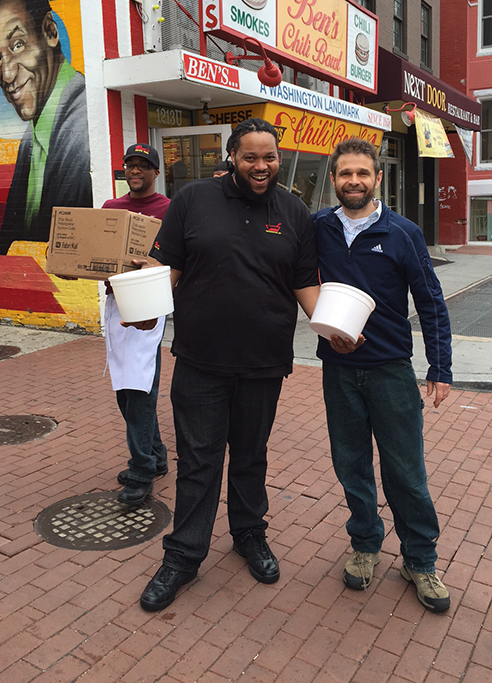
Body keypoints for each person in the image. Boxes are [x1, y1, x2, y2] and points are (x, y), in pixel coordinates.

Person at [135, 118, 319, 611]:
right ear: (232, 157)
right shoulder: (193, 200)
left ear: (279, 159)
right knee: (198, 461)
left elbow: (305, 284)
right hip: (200, 359)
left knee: (251, 454)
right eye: (251, 157)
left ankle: (249, 534)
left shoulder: (295, 211)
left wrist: (335, 328)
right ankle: (184, 556)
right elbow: (167, 267)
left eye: (270, 158)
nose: (261, 167)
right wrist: (138, 301)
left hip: (264, 361)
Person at [313, 138, 452, 613]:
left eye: (362, 173)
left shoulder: (403, 232)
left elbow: (431, 301)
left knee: (406, 473)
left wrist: (441, 367)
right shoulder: (319, 228)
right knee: (351, 465)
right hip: (337, 370)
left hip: (391, 371)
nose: (353, 181)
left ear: (376, 178)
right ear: (333, 179)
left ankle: (420, 560)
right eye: (344, 173)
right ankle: (366, 544)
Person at [0, 0, 92, 255]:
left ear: (49, 31)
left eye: (18, 44)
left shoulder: (82, 124)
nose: (7, 75)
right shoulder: (32, 137)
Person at [102, 144, 171, 506]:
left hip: (148, 306)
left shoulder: (169, 210)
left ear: (155, 173)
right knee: (123, 389)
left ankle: (142, 470)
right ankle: (156, 455)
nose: (135, 170)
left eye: (144, 165)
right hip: (115, 306)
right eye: (130, 164)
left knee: (139, 389)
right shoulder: (110, 210)